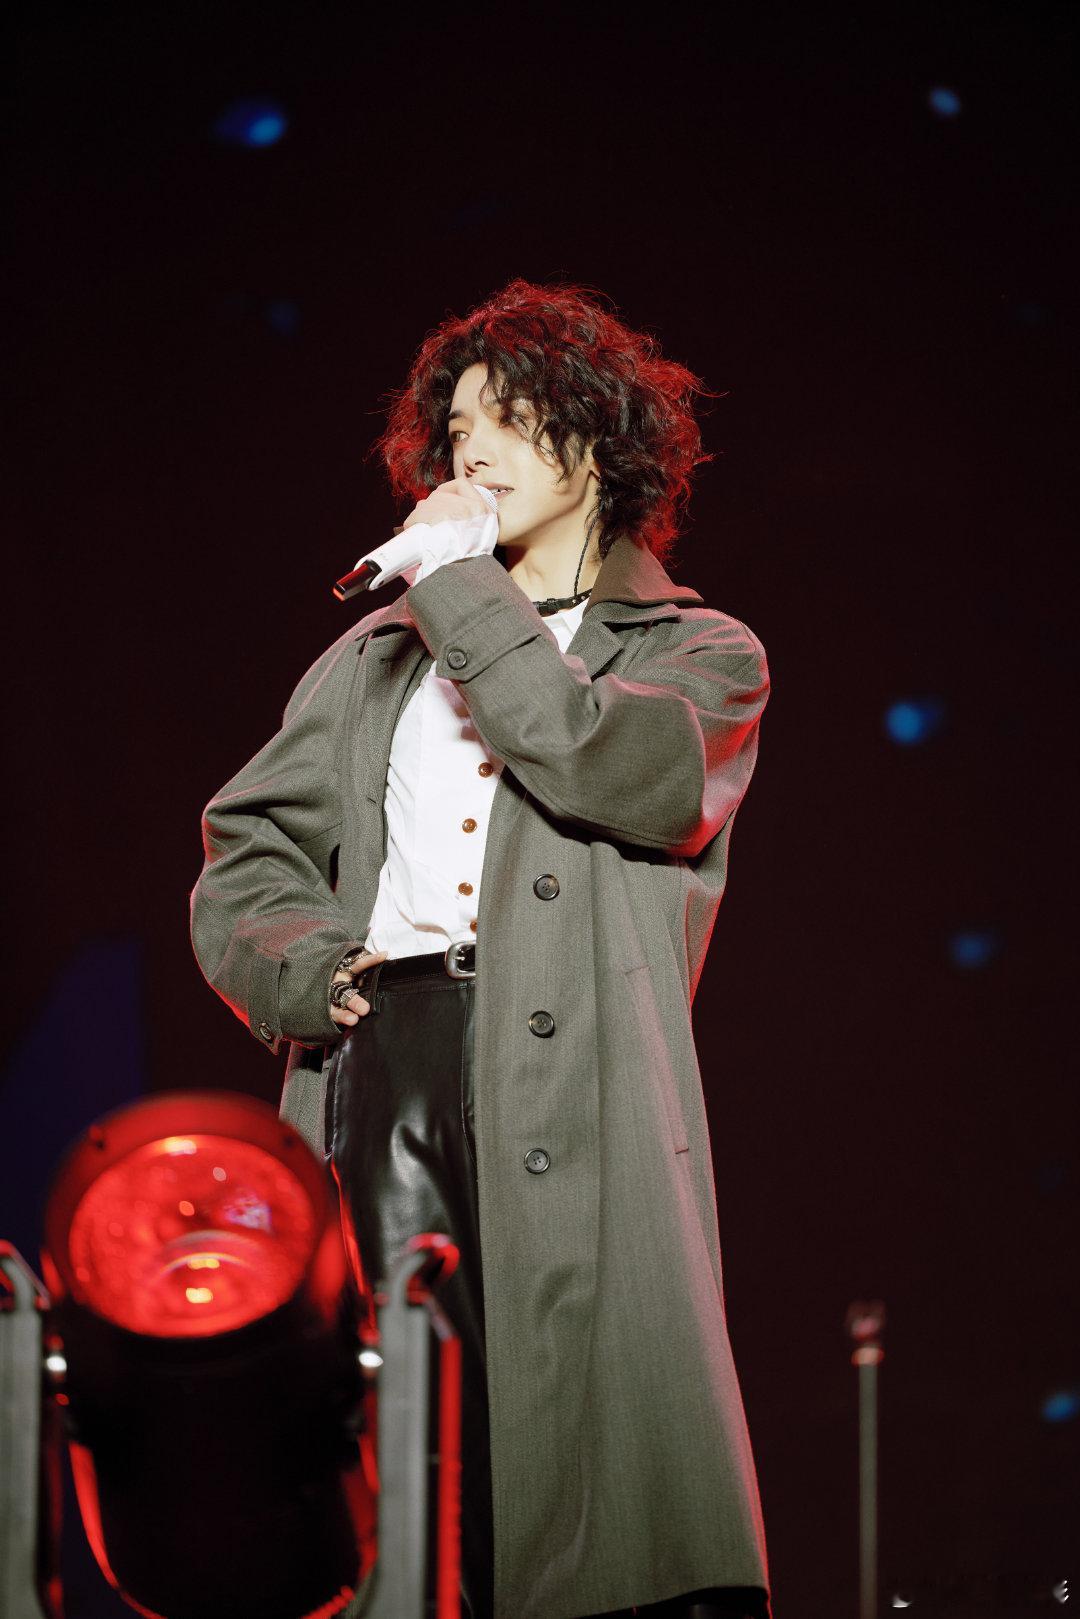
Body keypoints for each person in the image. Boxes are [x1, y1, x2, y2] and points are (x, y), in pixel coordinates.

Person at [190, 279, 773, 1619]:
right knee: (401, 1435)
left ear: (598, 442)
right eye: (456, 430)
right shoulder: (375, 659)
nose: (473, 451)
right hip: (386, 1061)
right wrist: (310, 966)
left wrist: (455, 585)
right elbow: (246, 844)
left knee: (576, 1452)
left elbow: (607, 767)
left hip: (576, 1076)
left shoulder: (698, 651)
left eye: (510, 418)